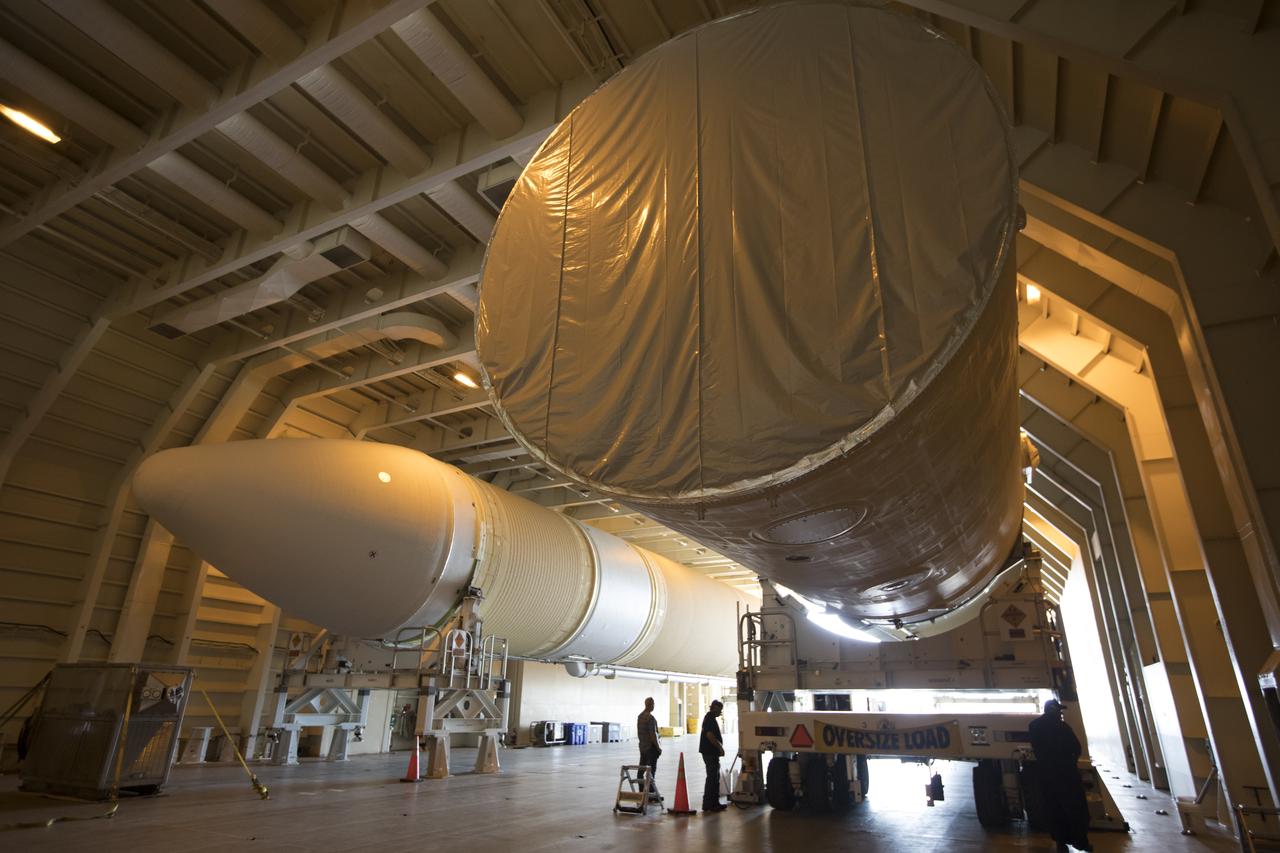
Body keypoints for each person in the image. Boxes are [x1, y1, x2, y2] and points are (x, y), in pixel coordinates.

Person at [1028, 699, 1093, 852]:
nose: (1061, 714)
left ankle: (1060, 842)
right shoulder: (1062, 727)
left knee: (1053, 807)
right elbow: (1076, 748)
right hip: (1066, 774)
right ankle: (1080, 841)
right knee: (1075, 808)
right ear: (1055, 711)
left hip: (1046, 774)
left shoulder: (1034, 726)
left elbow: (1036, 748)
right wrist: (1070, 762)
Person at [699, 700, 727, 812]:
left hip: (709, 752)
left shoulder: (709, 718)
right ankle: (710, 804)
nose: (720, 712)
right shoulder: (710, 718)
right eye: (719, 710)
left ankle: (711, 803)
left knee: (713, 777)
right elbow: (710, 735)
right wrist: (720, 747)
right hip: (710, 753)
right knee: (712, 778)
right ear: (715, 708)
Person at [637, 697, 662, 802]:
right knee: (651, 772)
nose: (653, 706)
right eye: (653, 704)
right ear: (650, 705)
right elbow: (653, 735)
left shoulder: (640, 717)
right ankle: (651, 795)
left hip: (642, 748)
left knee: (641, 771)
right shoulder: (650, 718)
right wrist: (658, 747)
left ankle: (642, 793)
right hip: (651, 749)